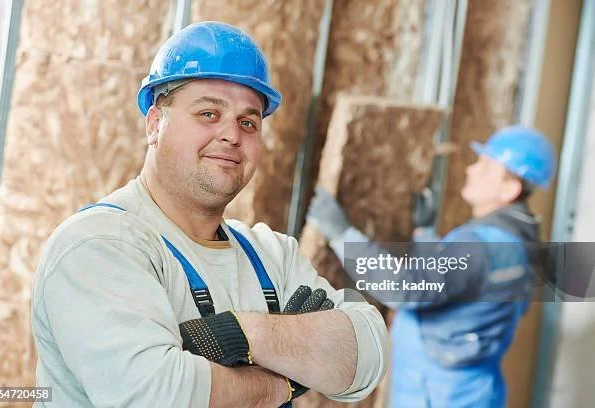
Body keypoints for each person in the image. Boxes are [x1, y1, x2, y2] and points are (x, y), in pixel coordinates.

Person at [31, 21, 389, 408]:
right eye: (208, 114)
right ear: (155, 124)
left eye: (248, 122)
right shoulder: (100, 244)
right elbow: (158, 396)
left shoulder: (271, 256)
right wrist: (282, 382)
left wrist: (243, 333)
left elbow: (368, 355)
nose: (232, 136)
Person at [306, 126, 556, 407]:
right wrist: (425, 234)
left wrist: (341, 234)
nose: (471, 170)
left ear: (510, 189)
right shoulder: (516, 242)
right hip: (471, 391)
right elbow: (457, 282)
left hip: (436, 395)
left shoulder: (483, 246)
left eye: (485, 166)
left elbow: (402, 288)